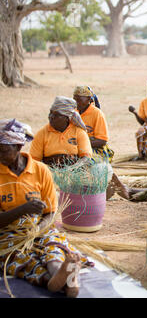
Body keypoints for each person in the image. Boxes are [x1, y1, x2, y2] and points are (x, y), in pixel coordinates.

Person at [0, 119, 93, 298]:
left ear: (19, 146)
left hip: (38, 226)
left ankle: (60, 272)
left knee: (52, 246)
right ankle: (60, 283)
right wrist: (23, 209)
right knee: (19, 256)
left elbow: (50, 213)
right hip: (7, 233)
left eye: (3, 151)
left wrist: (37, 230)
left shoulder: (40, 170)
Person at [29, 96, 92, 167]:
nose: (51, 116)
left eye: (56, 115)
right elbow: (34, 160)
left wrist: (72, 169)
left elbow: (86, 158)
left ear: (67, 118)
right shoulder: (42, 134)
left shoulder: (79, 132)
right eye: (50, 113)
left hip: (74, 172)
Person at [73, 86, 113, 163]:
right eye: (74, 100)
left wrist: (80, 145)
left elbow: (102, 141)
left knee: (84, 162)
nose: (76, 103)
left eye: (79, 100)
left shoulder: (97, 114)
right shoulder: (73, 113)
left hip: (95, 150)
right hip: (76, 147)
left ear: (89, 99)